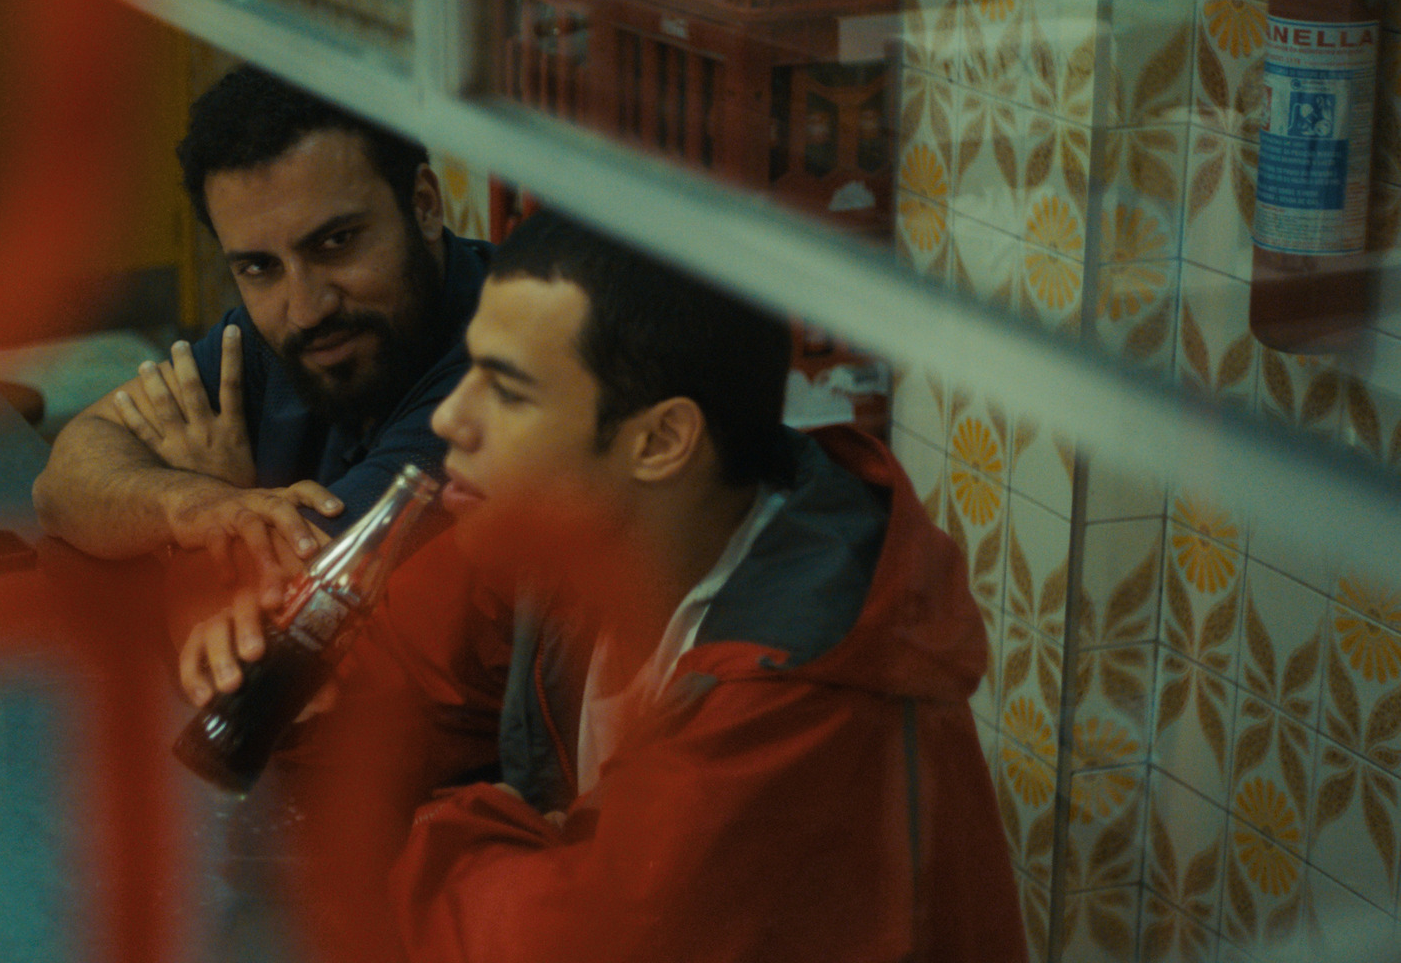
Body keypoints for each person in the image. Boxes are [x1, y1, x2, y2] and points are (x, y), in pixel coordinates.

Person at [178, 211, 1026, 961]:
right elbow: (380, 693)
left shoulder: (802, 694)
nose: (447, 419)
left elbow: (547, 941)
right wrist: (277, 662)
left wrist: (464, 820)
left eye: (506, 389)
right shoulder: (572, 535)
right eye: (467, 368)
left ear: (660, 442)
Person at [33, 65, 490, 591]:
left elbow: (293, 603)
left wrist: (199, 515)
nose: (304, 309)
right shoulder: (271, 338)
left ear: (425, 207)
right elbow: (61, 485)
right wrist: (202, 505)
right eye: (259, 268)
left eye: (337, 242)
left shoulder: (501, 368)